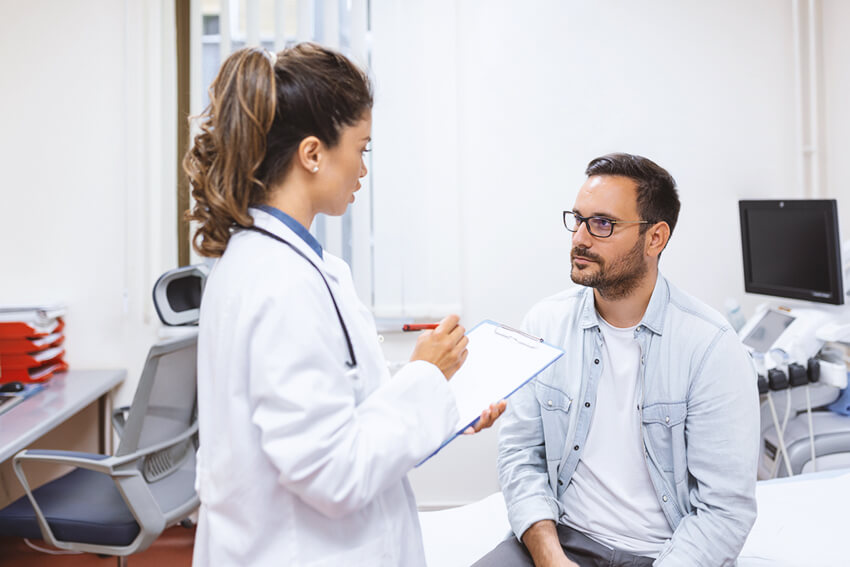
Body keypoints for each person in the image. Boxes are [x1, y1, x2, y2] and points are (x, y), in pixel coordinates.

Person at [183, 43, 505, 566]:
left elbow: (341, 397)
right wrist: (424, 379)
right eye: (362, 147)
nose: (363, 167)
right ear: (313, 153)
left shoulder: (291, 265)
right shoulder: (279, 282)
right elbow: (332, 471)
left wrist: (438, 392)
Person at [474, 153, 759, 566]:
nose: (580, 238)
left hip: (663, 555)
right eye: (578, 219)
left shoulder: (711, 348)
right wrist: (550, 556)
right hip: (562, 540)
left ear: (655, 238)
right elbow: (521, 456)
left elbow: (725, 512)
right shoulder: (545, 324)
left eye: (603, 223)